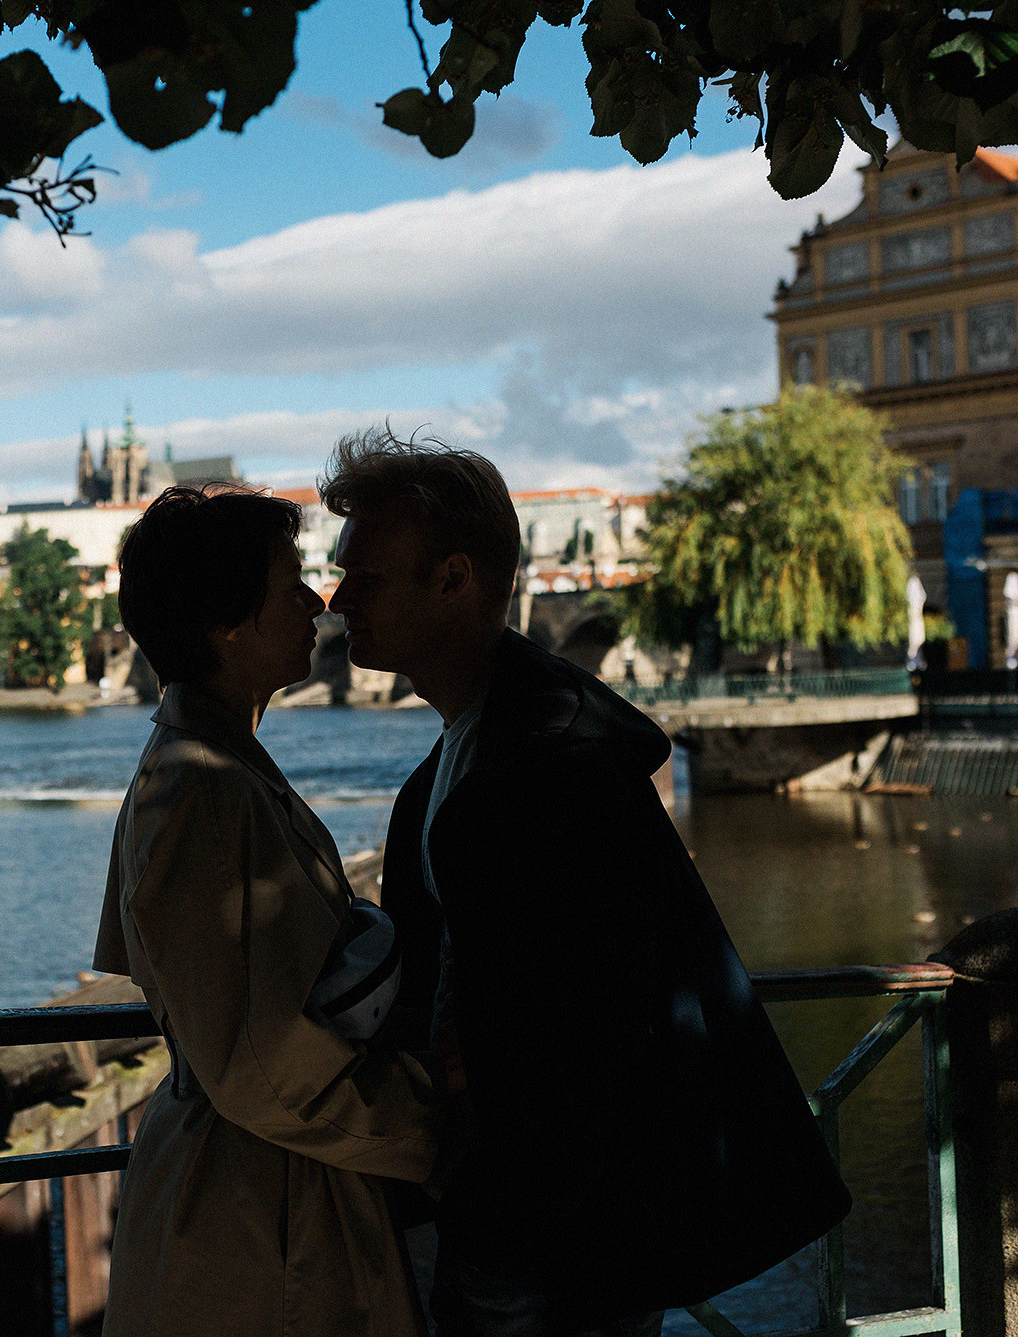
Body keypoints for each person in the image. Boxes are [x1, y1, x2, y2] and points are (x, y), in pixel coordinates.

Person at [322, 429, 851, 1337]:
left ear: (453, 579)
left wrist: (474, 1071)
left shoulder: (551, 767)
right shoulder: (476, 758)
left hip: (551, 1233)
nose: (336, 601)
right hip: (523, 1219)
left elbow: (597, 1011)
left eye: (365, 579)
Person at [94, 485, 443, 1337]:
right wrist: (437, 1127)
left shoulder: (205, 763)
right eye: (289, 584)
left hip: (258, 1189)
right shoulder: (204, 790)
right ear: (225, 622)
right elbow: (267, 1066)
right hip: (257, 1213)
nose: (315, 602)